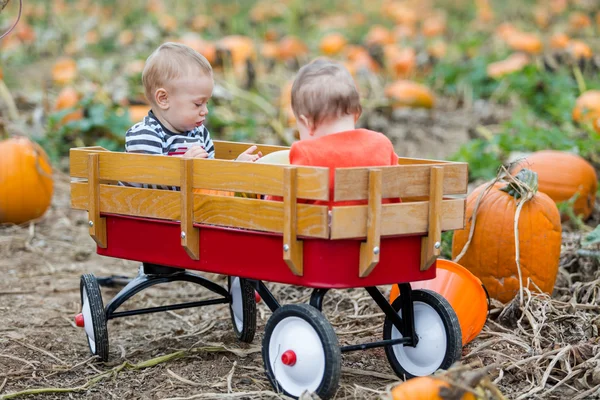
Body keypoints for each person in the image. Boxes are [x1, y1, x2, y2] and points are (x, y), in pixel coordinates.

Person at [123, 42, 261, 189]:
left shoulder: (200, 134)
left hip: (186, 208)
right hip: (141, 210)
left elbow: (210, 175)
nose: (205, 111)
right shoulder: (145, 135)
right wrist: (183, 168)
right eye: (197, 104)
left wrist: (235, 167)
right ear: (163, 99)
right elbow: (150, 183)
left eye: (206, 103)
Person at [268, 58, 400, 207]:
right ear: (356, 114)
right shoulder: (382, 144)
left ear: (308, 123)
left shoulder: (306, 154)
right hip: (384, 229)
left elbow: (278, 207)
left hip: (325, 229)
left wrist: (261, 192)